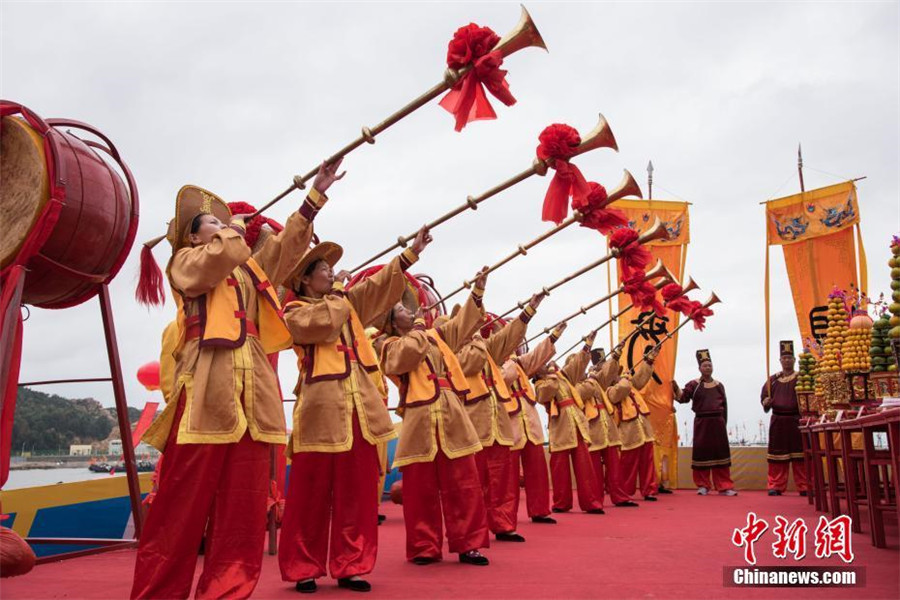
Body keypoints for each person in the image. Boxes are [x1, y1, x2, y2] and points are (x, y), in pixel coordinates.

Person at [131, 160, 344, 600]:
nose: (227, 226)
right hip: (206, 397)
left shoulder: (246, 270)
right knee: (180, 509)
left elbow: (286, 251)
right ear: (192, 235)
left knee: (242, 512)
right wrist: (236, 231)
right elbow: (219, 257)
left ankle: (227, 592)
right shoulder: (185, 264)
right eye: (214, 222)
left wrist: (313, 200)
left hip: (251, 401)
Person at [277, 226, 432, 594]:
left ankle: (352, 564)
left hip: (360, 409)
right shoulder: (294, 312)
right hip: (320, 411)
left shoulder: (345, 304)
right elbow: (325, 323)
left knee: (357, 495)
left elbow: (376, 289)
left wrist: (409, 255)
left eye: (332, 269)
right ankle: (304, 567)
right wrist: (342, 293)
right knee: (310, 496)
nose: (332, 273)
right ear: (305, 280)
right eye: (324, 269)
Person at [379, 268, 493, 566]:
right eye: (401, 309)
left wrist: (477, 293)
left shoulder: (435, 336)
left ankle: (469, 544)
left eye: (408, 307)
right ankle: (423, 546)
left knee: (464, 483)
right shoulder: (388, 345)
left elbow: (461, 326)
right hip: (418, 417)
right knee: (420, 489)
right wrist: (418, 326)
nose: (409, 309)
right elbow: (406, 357)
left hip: (451, 413)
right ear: (392, 323)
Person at [456, 295, 544, 543]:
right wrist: (477, 341)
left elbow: (507, 339)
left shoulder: (488, 350)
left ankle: (504, 525)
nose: (478, 328)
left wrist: (529, 310)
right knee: (476, 482)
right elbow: (470, 364)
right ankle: (476, 529)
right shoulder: (455, 351)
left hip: (498, 423)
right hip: (474, 425)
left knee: (504, 480)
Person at [502, 324, 566, 524]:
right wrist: (510, 360)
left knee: (537, 471)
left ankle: (539, 510)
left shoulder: (520, 363)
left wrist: (553, 336)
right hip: (509, 423)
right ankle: (506, 518)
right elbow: (506, 377)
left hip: (529, 422)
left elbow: (538, 356)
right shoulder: (493, 363)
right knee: (509, 478)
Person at [534, 334, 605, 514]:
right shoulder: (541, 384)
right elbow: (546, 394)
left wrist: (587, 346)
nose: (548, 363)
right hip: (559, 428)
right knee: (560, 469)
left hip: (576, 424)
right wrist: (551, 374)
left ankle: (591, 503)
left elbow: (577, 365)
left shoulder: (563, 377)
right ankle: (561, 503)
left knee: (585, 467)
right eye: (543, 363)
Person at [672, 350, 736, 496]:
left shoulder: (719, 385)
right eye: (705, 366)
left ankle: (724, 486)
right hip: (702, 422)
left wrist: (723, 423)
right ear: (699, 368)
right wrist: (675, 388)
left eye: (709, 365)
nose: (707, 368)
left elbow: (725, 406)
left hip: (718, 423)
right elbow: (683, 398)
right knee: (702, 453)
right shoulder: (694, 384)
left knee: (721, 455)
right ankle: (703, 485)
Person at [605, 347, 659, 502]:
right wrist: (625, 379)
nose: (619, 374)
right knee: (628, 464)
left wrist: (649, 360)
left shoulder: (630, 384)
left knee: (647, 462)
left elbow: (641, 378)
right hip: (628, 432)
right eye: (615, 373)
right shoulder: (609, 391)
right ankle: (625, 491)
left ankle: (649, 490)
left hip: (644, 428)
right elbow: (621, 389)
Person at [761, 340, 808, 496]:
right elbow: (764, 399)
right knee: (777, 457)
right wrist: (765, 402)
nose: (787, 360)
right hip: (778, 421)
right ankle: (775, 485)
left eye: (789, 358)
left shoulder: (802, 378)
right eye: (784, 358)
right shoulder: (773, 380)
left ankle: (805, 485)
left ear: (794, 360)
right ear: (780, 361)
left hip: (797, 419)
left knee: (800, 456)